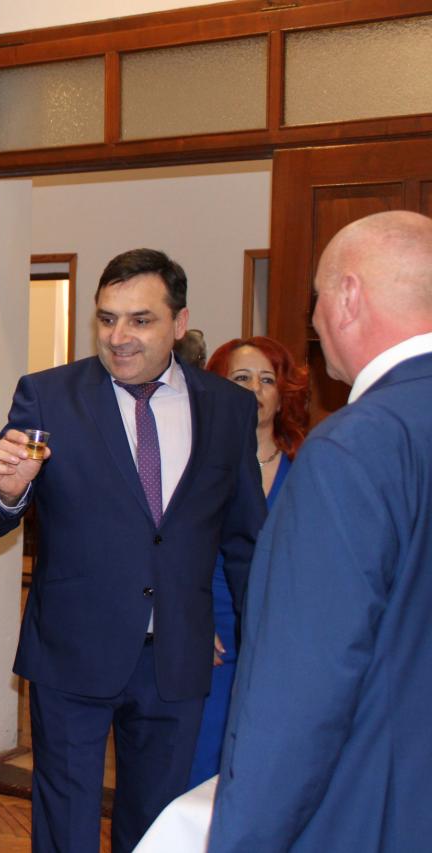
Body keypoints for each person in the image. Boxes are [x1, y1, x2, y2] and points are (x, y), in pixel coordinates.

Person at [0, 248, 266, 853]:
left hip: (177, 657)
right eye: (106, 319)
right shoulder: (49, 395)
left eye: (140, 320)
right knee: (65, 825)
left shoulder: (228, 408)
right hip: (71, 651)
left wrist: (263, 644)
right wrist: (8, 492)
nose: (118, 336)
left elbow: (245, 542)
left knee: (155, 827)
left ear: (179, 323)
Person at [209, 211, 432, 852]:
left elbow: (302, 688)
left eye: (317, 296)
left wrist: (242, 837)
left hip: (370, 805)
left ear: (350, 296)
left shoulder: (354, 447)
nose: (313, 319)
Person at [186, 335, 308, 787]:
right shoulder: (195, 462)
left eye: (267, 380)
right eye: (241, 378)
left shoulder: (310, 463)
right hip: (214, 638)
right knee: (202, 767)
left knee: (268, 772)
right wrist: (191, 621)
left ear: (282, 392)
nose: (255, 390)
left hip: (285, 638)